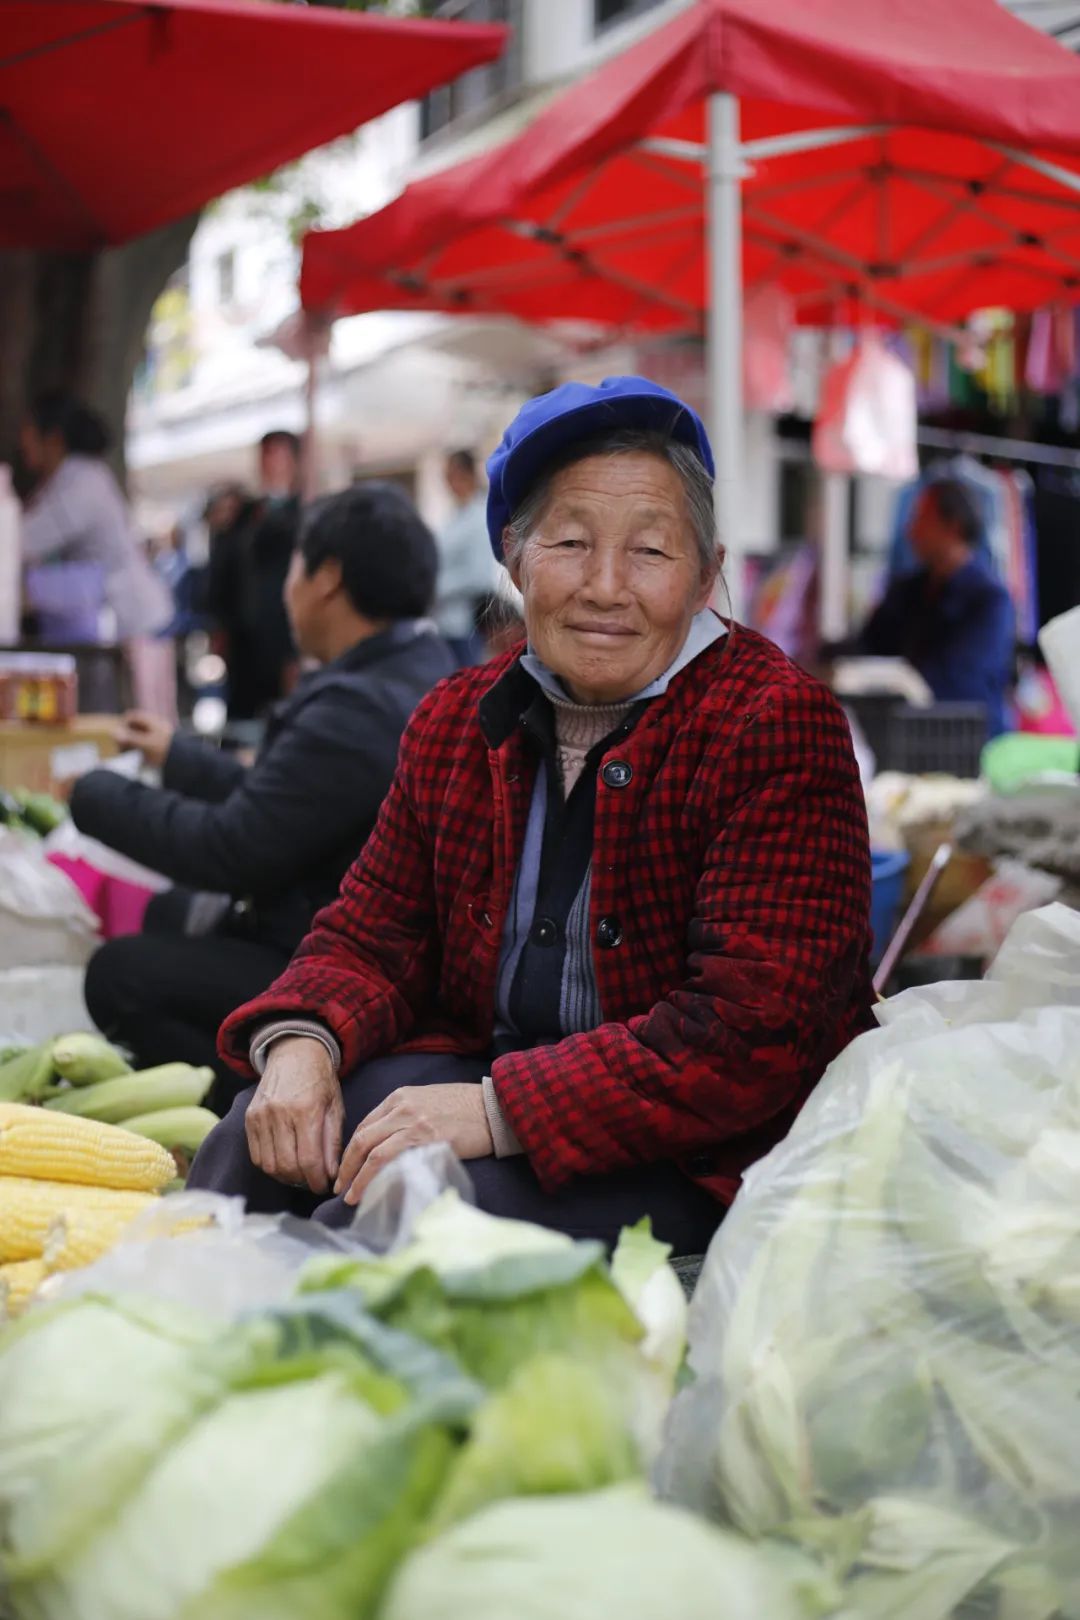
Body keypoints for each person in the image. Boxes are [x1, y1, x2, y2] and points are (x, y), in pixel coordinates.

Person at [190, 376, 874, 1252]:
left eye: (650, 551)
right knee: (251, 1145)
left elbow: (750, 1035)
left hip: (704, 1149)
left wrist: (494, 1110)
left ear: (706, 576)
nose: (605, 587)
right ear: (514, 560)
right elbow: (372, 932)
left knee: (398, 1221)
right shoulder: (455, 719)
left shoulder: (773, 725)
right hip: (498, 1079)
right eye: (571, 543)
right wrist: (302, 1043)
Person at [72, 484, 456, 1110]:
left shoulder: (359, 709)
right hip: (336, 927)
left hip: (346, 966)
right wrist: (177, 756)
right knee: (168, 913)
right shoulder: (410, 667)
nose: (285, 587)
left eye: (295, 565)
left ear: (327, 579)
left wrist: (90, 792)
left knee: (118, 975)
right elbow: (283, 800)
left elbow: (233, 848)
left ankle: (255, 1110)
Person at [18, 391, 176, 717]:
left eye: (29, 433)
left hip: (133, 624)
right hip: (119, 623)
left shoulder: (81, 482)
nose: (22, 443)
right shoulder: (73, 478)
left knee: (144, 723)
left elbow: (21, 542)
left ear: (53, 439)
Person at [853, 479, 1015, 737]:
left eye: (921, 519)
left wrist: (893, 682)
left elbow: (959, 681)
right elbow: (869, 645)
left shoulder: (990, 600)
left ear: (953, 527)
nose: (911, 531)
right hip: (902, 736)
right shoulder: (908, 590)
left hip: (967, 742)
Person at [206, 431, 303, 720]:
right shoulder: (243, 515)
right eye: (266, 455)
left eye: (278, 455)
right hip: (243, 638)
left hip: (283, 637)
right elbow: (224, 570)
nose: (271, 463)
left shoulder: (302, 514)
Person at [434, 448, 499, 665]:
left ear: (468, 475)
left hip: (465, 625)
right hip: (444, 623)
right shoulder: (454, 517)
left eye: (452, 475)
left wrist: (437, 589)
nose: (449, 483)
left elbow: (480, 576)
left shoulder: (479, 517)